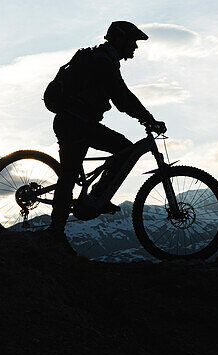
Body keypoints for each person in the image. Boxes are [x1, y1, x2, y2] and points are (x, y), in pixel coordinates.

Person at [43, 21, 166, 246]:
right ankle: (58, 229)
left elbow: (121, 95)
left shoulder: (104, 59)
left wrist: (145, 117)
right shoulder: (102, 61)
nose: (135, 47)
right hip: (74, 121)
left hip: (78, 121)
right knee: (72, 174)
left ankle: (96, 198)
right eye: (133, 42)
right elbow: (121, 96)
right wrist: (148, 119)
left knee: (122, 150)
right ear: (119, 39)